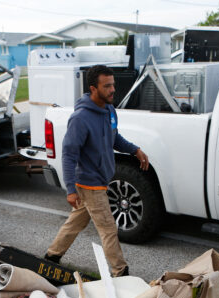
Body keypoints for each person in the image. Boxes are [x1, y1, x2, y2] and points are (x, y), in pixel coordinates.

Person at [44, 65, 149, 277]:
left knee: (76, 222)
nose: (113, 90)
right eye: (107, 86)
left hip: (100, 179)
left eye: (113, 85)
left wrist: (135, 150)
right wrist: (70, 189)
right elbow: (69, 154)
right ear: (93, 88)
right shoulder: (80, 118)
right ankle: (121, 272)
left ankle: (51, 257)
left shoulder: (109, 110)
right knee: (109, 229)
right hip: (90, 182)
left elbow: (114, 137)